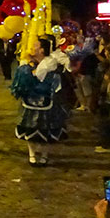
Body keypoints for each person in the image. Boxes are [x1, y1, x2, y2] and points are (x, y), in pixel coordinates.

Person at [11, 37, 68, 166]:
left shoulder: (51, 65)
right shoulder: (26, 66)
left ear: (42, 50)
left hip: (47, 101)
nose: (31, 48)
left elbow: (55, 84)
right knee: (29, 128)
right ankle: (31, 154)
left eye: (35, 46)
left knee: (46, 129)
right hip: (30, 101)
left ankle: (44, 154)